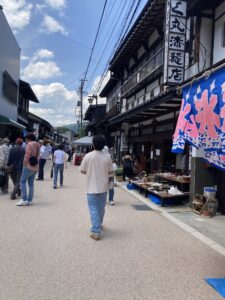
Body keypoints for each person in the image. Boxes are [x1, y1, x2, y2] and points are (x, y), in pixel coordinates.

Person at [80, 135, 113, 241]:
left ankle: (95, 231)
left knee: (94, 209)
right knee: (101, 208)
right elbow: (111, 173)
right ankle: (98, 224)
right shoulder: (107, 157)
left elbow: (82, 170)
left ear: (93, 144)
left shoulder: (88, 156)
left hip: (91, 187)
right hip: (103, 187)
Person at [16, 133, 39, 206]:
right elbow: (38, 156)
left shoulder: (29, 144)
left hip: (28, 166)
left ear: (29, 138)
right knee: (31, 184)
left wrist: (24, 163)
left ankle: (24, 199)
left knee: (22, 181)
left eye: (26, 139)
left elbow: (27, 155)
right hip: (35, 166)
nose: (25, 140)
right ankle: (30, 200)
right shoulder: (38, 144)